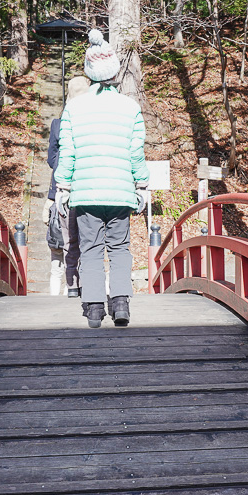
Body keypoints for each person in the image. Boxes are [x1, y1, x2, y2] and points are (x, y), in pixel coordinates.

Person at [54, 29, 149, 328]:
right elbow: (137, 154)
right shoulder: (130, 108)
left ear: (90, 71)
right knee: (120, 247)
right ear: (114, 71)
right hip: (121, 194)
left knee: (91, 248)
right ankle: (120, 302)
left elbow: (67, 152)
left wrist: (63, 186)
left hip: (86, 194)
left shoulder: (74, 108)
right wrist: (142, 185)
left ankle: (94, 308)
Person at [43, 76, 91, 296]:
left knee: (60, 248)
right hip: (85, 191)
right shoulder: (93, 121)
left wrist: (64, 168)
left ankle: (60, 295)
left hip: (60, 191)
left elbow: (52, 158)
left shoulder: (59, 124)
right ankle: (77, 288)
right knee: (81, 243)